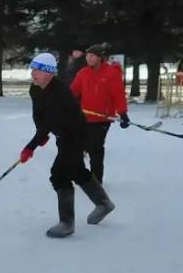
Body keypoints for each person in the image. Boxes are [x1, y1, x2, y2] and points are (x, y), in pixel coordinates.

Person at [21, 53, 116, 238]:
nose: (33, 73)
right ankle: (104, 204)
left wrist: (30, 146)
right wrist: (41, 134)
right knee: (76, 170)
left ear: (48, 73)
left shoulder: (59, 93)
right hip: (62, 135)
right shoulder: (35, 89)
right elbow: (39, 116)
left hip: (76, 134)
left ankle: (67, 222)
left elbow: (50, 120)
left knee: (59, 173)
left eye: (37, 70)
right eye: (32, 69)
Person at [69, 43, 129, 184]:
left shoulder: (111, 73)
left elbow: (118, 95)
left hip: (102, 119)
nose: (88, 58)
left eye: (92, 56)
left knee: (95, 148)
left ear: (100, 57)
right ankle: (81, 175)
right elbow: (73, 91)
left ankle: (96, 179)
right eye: (87, 56)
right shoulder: (83, 73)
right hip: (84, 117)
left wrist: (123, 113)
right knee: (78, 146)